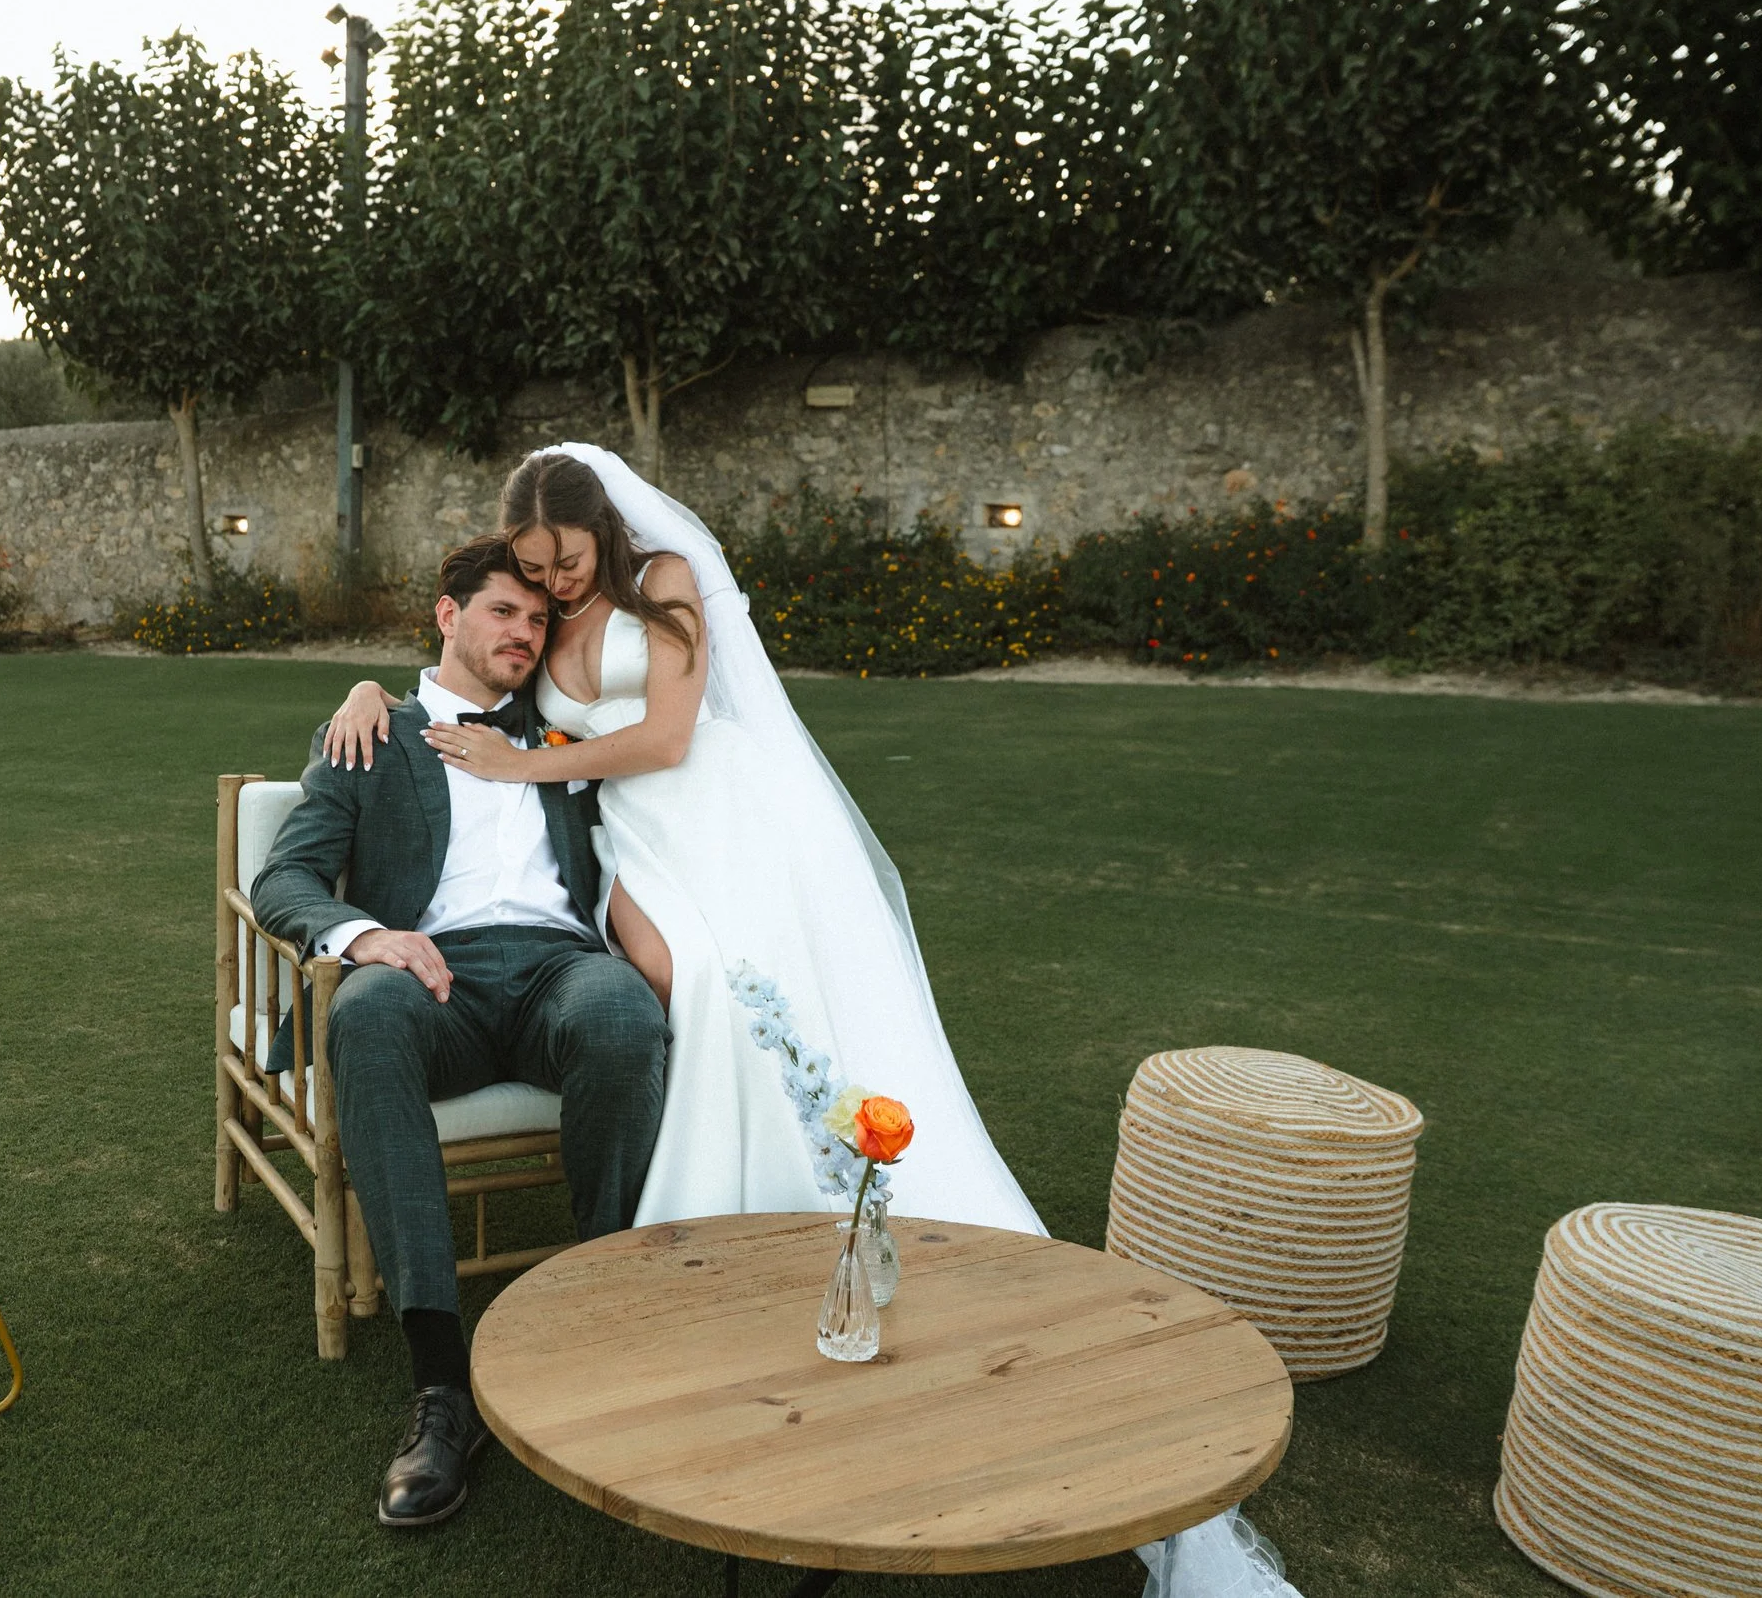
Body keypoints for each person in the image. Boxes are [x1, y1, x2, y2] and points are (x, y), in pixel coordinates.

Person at [322, 447, 1302, 1597]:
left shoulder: (670, 580)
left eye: (570, 565)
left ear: (606, 535)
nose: (556, 590)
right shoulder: (530, 629)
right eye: (536, 574)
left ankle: (825, 1221)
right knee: (685, 1004)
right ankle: (683, 1278)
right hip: (631, 839)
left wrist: (524, 761)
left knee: (748, 1013)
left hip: (719, 813)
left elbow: (671, 734)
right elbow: (467, 666)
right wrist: (366, 695)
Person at [249, 533, 670, 1532]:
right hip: (429, 973)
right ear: (447, 615)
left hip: (556, 971)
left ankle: (602, 1313)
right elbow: (284, 879)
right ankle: (442, 1386)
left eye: (536, 619)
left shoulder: (568, 739)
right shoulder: (370, 736)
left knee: (620, 1010)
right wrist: (367, 936)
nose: (523, 632)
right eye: (501, 612)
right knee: (367, 1011)